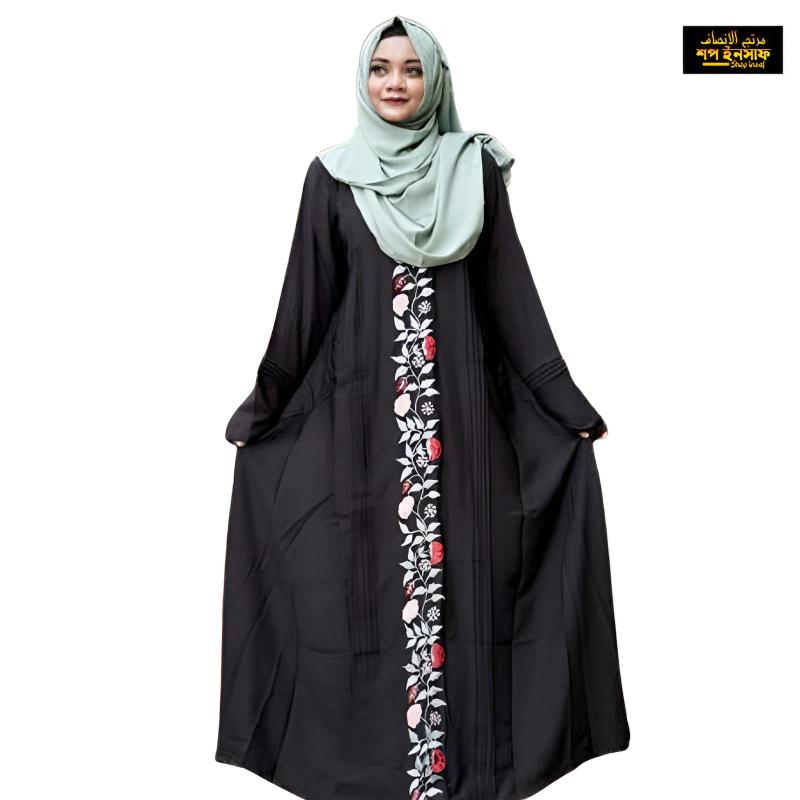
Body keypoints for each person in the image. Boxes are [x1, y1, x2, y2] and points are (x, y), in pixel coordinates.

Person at [215, 15, 629, 800]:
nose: (396, 83)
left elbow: (512, 301)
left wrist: (564, 402)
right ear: (363, 80)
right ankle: (380, 773)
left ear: (435, 80)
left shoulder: (473, 173)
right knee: (359, 600)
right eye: (381, 69)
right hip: (363, 443)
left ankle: (466, 772)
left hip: (467, 439)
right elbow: (304, 308)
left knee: (474, 596)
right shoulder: (332, 179)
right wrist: (263, 408)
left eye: (411, 69)